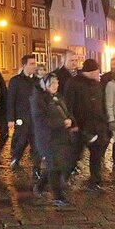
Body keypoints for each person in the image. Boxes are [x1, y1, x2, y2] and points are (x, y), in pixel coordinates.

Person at [64, 59, 110, 192]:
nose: (98, 74)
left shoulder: (98, 85)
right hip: (80, 127)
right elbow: (68, 105)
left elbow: (102, 104)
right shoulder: (73, 83)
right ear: (92, 71)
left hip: (97, 126)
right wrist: (72, 123)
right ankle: (61, 180)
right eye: (97, 71)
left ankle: (95, 182)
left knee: (97, 155)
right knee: (74, 156)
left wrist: (105, 122)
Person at [31, 73, 75, 207]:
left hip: (61, 136)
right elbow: (41, 120)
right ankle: (58, 197)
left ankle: (39, 186)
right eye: (52, 84)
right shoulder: (38, 99)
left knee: (57, 164)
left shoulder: (57, 97)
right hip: (47, 138)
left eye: (56, 83)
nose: (55, 86)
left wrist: (71, 121)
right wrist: (62, 123)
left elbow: (66, 112)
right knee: (54, 165)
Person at [7, 55, 41, 178]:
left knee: (36, 145)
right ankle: (16, 157)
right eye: (31, 63)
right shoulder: (15, 81)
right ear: (24, 65)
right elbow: (10, 100)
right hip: (21, 118)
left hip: (35, 119)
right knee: (21, 141)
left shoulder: (38, 81)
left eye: (35, 63)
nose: (34, 66)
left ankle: (36, 169)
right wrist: (10, 118)